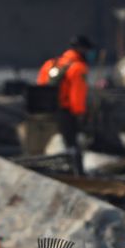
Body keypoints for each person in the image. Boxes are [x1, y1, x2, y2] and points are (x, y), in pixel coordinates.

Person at [37, 35, 95, 173]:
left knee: (46, 146)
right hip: (67, 112)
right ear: (82, 49)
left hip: (48, 112)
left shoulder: (51, 63)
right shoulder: (78, 68)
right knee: (72, 146)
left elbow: (40, 86)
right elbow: (77, 95)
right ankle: (76, 173)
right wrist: (80, 115)